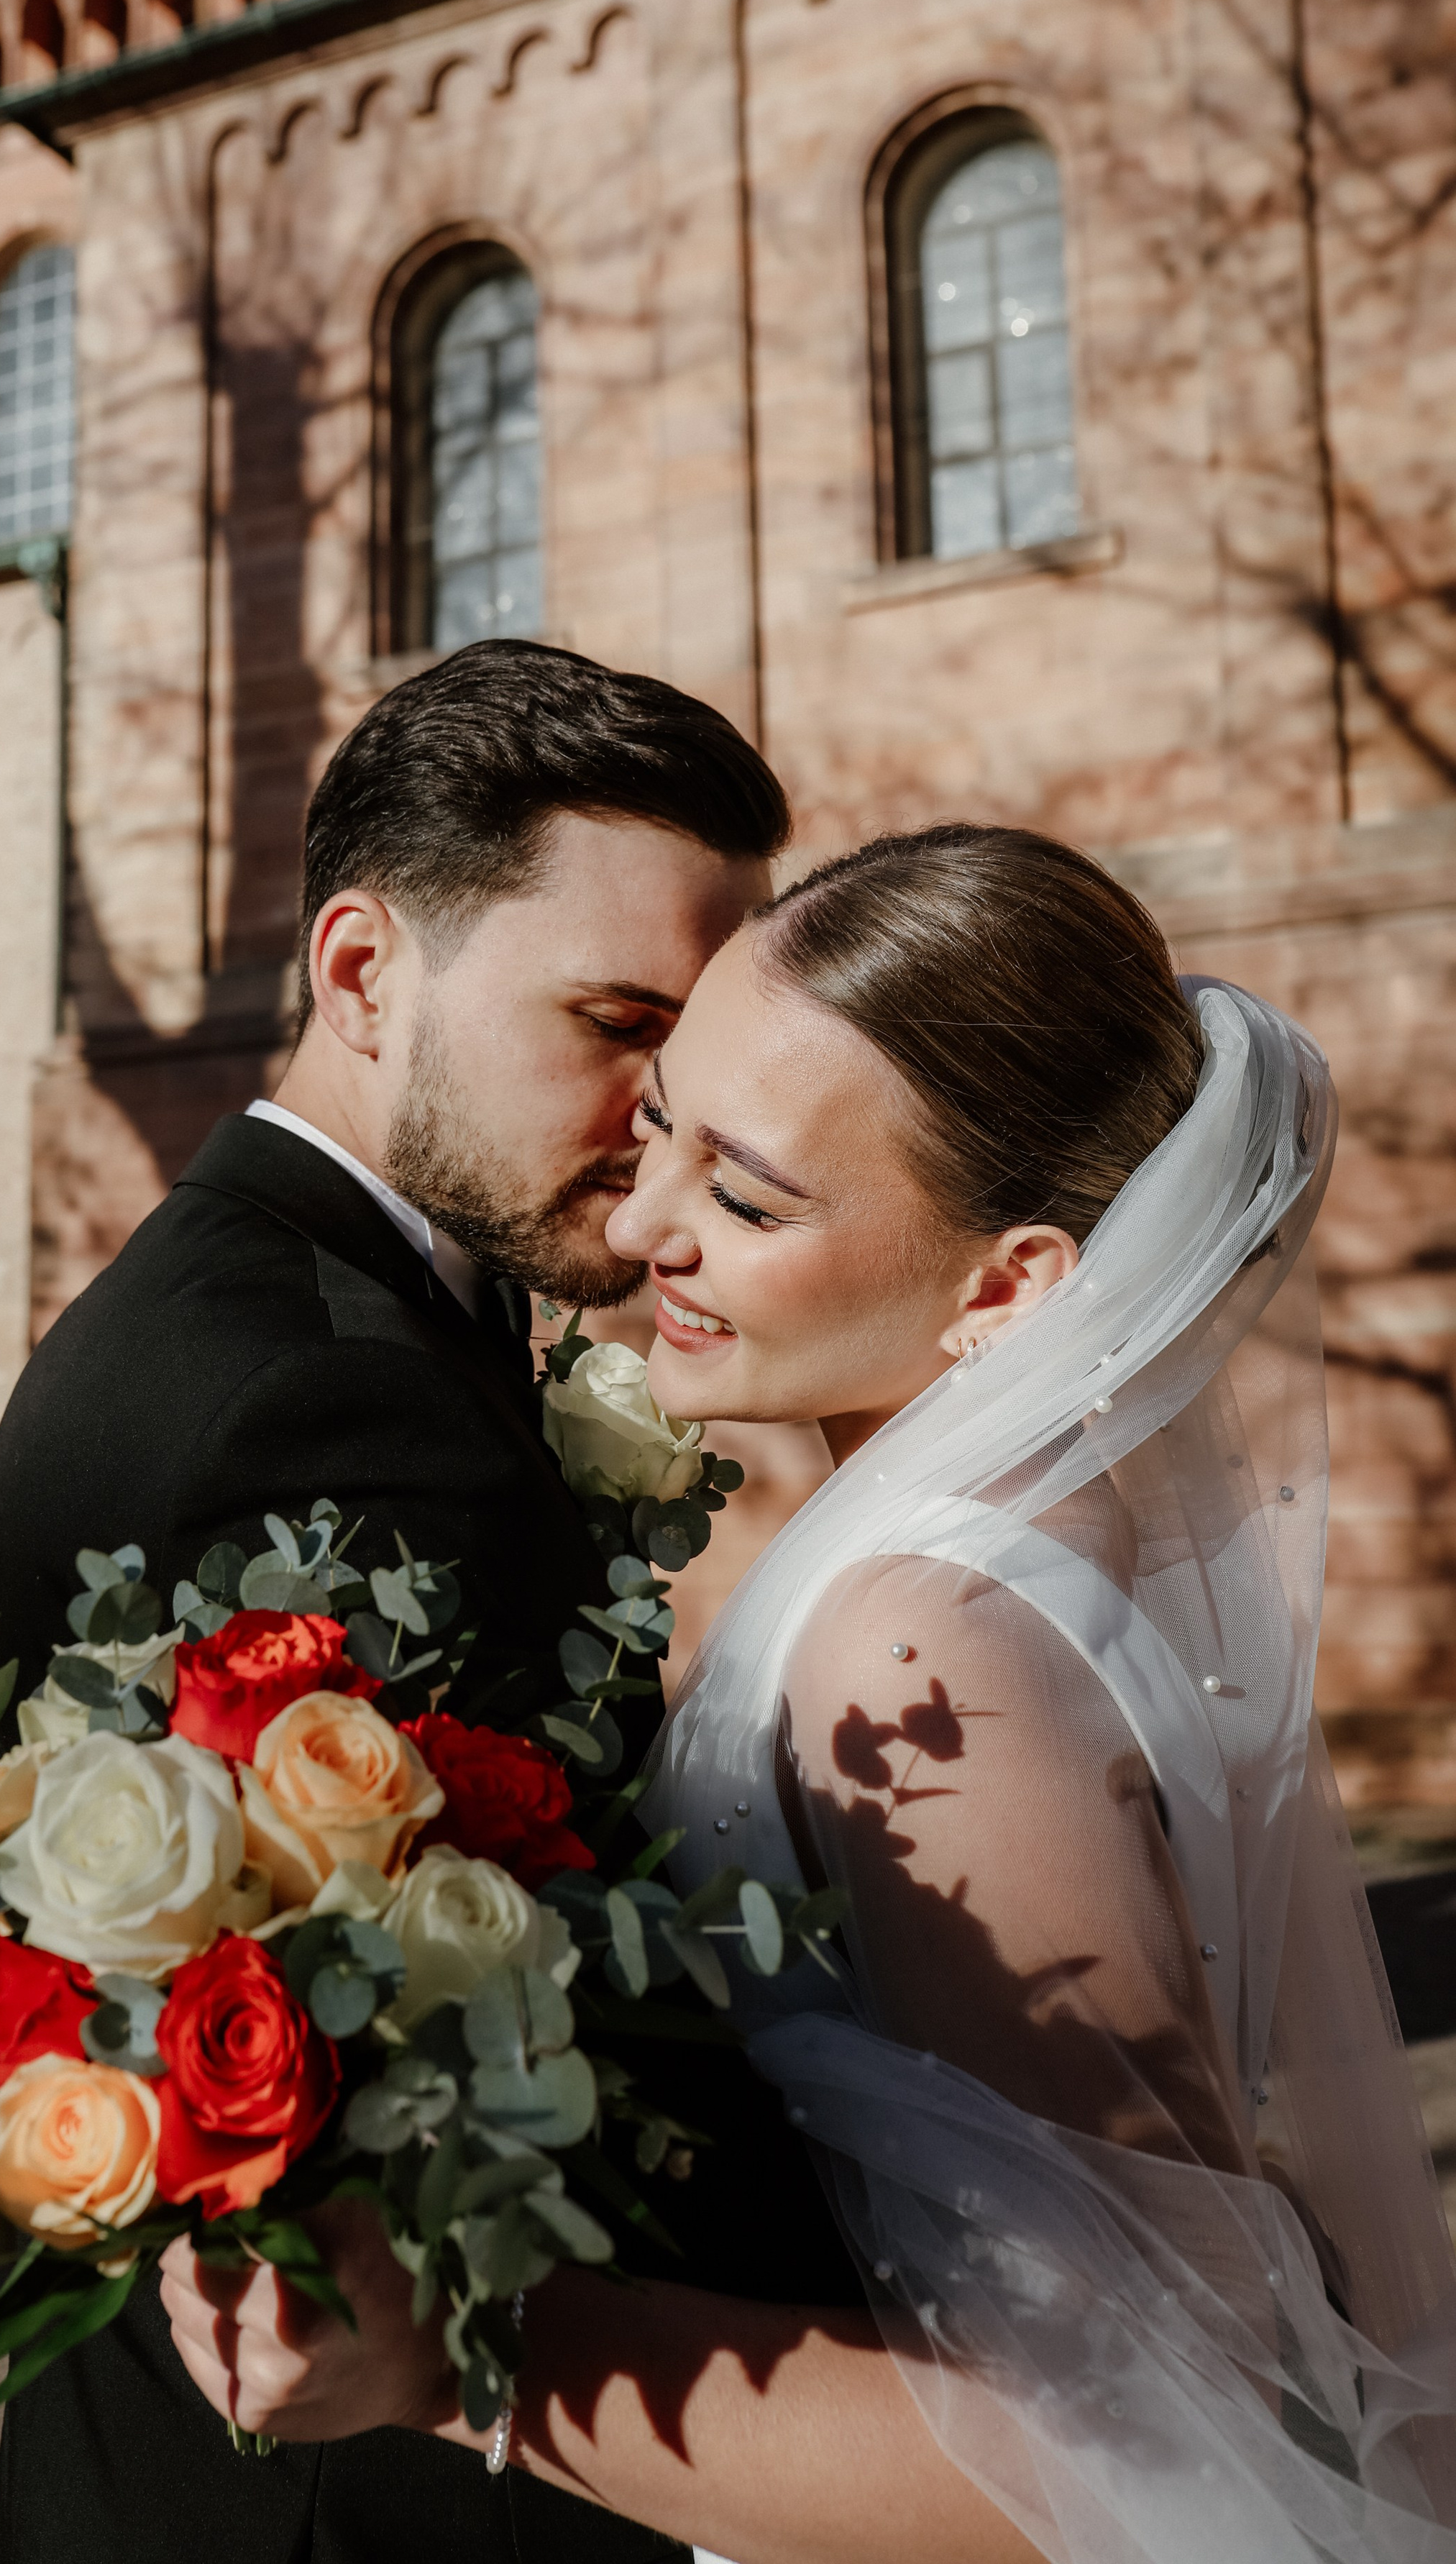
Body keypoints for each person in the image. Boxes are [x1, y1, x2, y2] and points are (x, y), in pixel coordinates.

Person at [161, 824, 1456, 2563]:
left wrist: (466, 2359)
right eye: (658, 1130)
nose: (640, 1225)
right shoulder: (984, 1563)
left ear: (1006, 1287)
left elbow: (1147, 2434)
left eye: (747, 1199)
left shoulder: (924, 1647)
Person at [0, 635, 791, 2564]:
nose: (665, 1125)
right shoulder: (318, 1393)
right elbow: (511, 2054)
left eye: (692, 1060)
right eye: (617, 1025)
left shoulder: (301, 1300)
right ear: (361, 973)